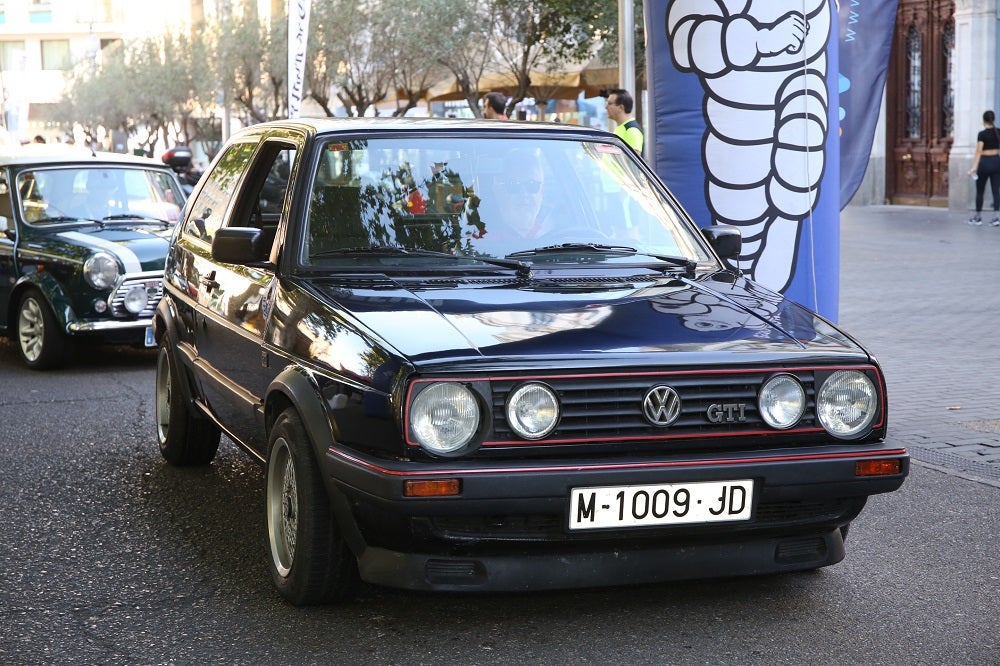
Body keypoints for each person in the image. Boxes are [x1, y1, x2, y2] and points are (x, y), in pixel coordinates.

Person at [968, 110, 1000, 226]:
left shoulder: (982, 134)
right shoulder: (998, 132)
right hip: (996, 161)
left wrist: (974, 168)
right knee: (996, 190)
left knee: (980, 191)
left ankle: (978, 217)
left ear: (984, 120)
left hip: (985, 163)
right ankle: (996, 217)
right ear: (993, 120)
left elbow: (979, 151)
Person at [606, 88, 643, 155]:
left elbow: (631, 163)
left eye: (610, 103)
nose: (606, 107)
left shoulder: (632, 130)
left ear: (621, 107)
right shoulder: (621, 127)